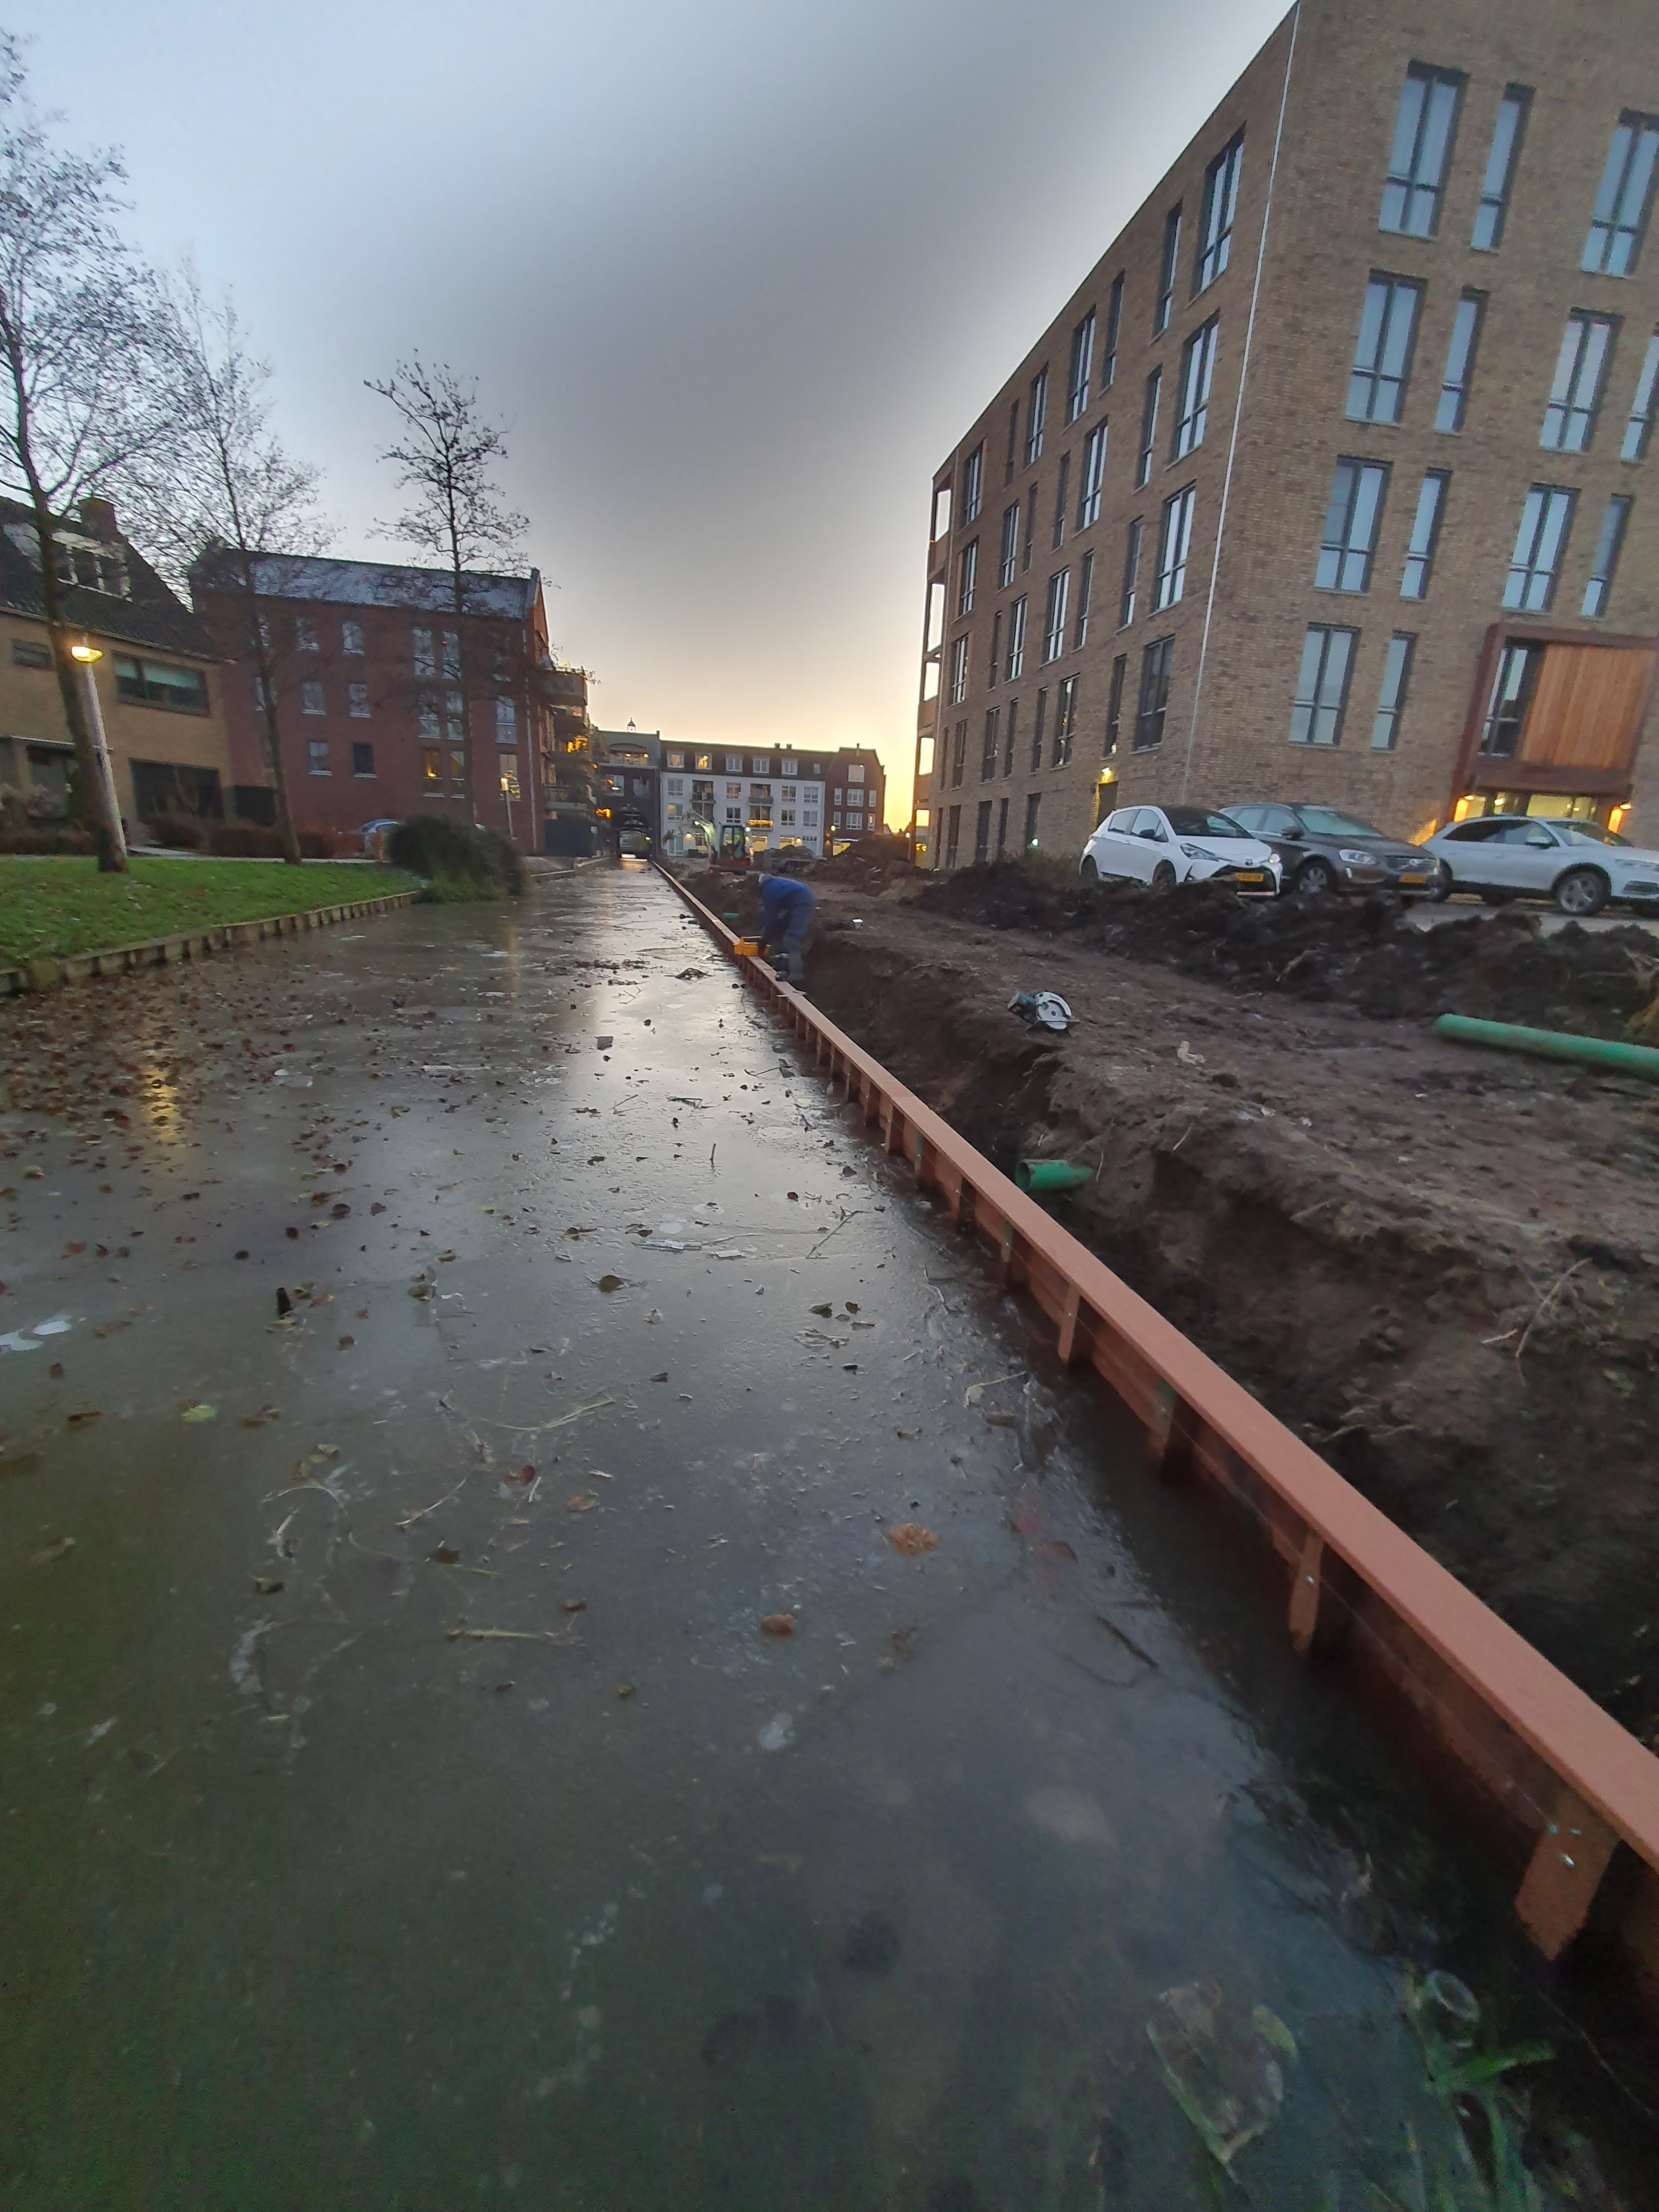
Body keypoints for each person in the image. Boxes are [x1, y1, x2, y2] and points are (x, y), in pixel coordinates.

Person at [757, 871, 816, 986]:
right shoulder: (772, 885)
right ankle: (781, 963)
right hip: (800, 901)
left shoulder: (768, 891)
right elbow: (772, 921)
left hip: (803, 903)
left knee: (792, 937)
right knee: (779, 928)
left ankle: (796, 974)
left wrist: (764, 940)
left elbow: (771, 920)